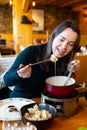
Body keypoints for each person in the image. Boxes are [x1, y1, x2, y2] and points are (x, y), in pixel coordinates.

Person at [4, 19, 80, 98]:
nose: (64, 47)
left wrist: (70, 70)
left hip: (46, 103)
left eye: (70, 44)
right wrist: (19, 74)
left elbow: (64, 85)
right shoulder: (31, 52)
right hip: (21, 101)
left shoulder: (65, 58)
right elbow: (7, 80)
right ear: (53, 36)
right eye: (61, 40)